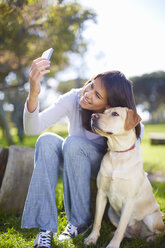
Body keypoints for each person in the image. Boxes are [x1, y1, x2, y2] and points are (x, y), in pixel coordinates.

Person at [21, 57, 144, 248]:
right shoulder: (74, 97)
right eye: (91, 86)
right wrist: (34, 93)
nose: (88, 94)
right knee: (46, 140)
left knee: (74, 143)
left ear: (110, 105)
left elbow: (135, 144)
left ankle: (80, 221)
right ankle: (44, 228)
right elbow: (33, 128)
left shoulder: (122, 119)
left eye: (98, 96)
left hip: (102, 165)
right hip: (73, 156)